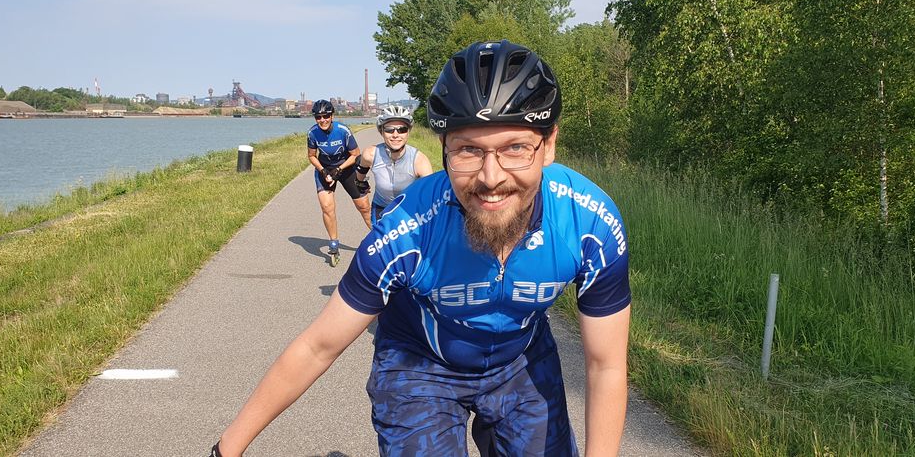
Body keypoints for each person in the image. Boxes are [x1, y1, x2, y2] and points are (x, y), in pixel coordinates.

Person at [212, 40, 631, 456]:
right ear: (444, 149)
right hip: (420, 365)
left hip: (520, 360)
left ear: (549, 144)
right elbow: (317, 346)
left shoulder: (589, 223)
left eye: (515, 148)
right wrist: (226, 448)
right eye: (468, 150)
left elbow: (606, 365)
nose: (491, 177)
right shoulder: (407, 228)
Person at [305, 99, 372, 265]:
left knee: (364, 207)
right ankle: (334, 244)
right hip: (325, 169)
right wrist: (323, 170)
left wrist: (339, 169)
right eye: (318, 117)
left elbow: (355, 154)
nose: (322, 120)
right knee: (327, 207)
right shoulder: (312, 133)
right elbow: (312, 156)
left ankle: (383, 238)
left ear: (332, 116)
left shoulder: (343, 131)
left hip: (346, 168)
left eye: (326, 116)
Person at [354, 104, 434, 223]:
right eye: (389, 130)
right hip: (381, 208)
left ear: (408, 132)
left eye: (402, 130)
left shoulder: (419, 160)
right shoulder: (370, 154)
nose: (395, 135)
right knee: (379, 235)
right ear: (381, 132)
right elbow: (360, 174)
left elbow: (431, 195)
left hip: (409, 211)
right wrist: (361, 183)